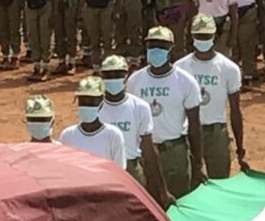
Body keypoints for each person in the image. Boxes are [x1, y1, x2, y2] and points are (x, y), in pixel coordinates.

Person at [128, 25, 205, 196]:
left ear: (170, 49)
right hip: (145, 153)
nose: (156, 50)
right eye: (152, 45)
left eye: (161, 46)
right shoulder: (134, 81)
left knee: (179, 200)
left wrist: (198, 163)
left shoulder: (185, 81)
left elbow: (194, 126)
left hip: (174, 152)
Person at [177, 14, 246, 181]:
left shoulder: (229, 68)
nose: (203, 40)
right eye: (199, 36)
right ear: (192, 36)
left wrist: (240, 147)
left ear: (214, 36)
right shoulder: (180, 68)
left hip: (216, 132)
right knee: (191, 183)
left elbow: (235, 110)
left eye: (206, 36)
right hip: (187, 133)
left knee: (220, 181)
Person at [98, 55, 170, 202]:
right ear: (102, 77)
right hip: (102, 171)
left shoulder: (140, 107)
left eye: (118, 74)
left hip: (132, 170)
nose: (113, 78)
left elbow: (149, 149)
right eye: (108, 75)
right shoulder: (94, 108)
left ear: (126, 76)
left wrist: (162, 190)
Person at [60, 76, 129, 165]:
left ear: (101, 102)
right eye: (83, 102)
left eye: (92, 102)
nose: (87, 105)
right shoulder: (67, 136)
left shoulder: (113, 136)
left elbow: (119, 170)